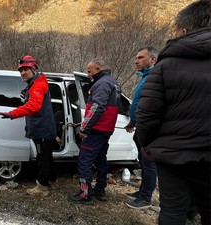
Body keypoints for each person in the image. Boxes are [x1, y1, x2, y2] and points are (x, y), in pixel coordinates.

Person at [136, 1, 211, 224]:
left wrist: (147, 145)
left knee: (173, 212)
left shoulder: (165, 65)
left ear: (185, 31)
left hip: (173, 156)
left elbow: (147, 114)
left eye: (175, 31)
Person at [0, 55, 57, 197]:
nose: (22, 73)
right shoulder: (35, 84)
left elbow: (33, 107)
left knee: (42, 157)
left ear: (34, 69)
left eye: (26, 69)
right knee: (47, 156)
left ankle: (42, 187)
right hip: (42, 128)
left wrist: (12, 114)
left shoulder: (38, 85)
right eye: (20, 70)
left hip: (41, 129)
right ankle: (51, 179)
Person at [68, 58, 121, 204]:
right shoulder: (113, 82)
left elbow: (97, 107)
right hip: (106, 129)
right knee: (101, 160)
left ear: (98, 68)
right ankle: (100, 191)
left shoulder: (102, 83)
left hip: (97, 129)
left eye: (90, 71)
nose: (88, 74)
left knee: (84, 161)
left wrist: (85, 127)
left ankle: (85, 194)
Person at [124, 47, 158, 209]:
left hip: (149, 129)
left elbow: (152, 106)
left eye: (140, 58)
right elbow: (138, 103)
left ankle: (145, 198)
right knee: (143, 163)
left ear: (152, 60)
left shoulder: (155, 78)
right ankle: (142, 192)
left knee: (149, 164)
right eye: (136, 58)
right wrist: (133, 121)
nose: (136, 61)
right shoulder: (145, 77)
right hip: (140, 127)